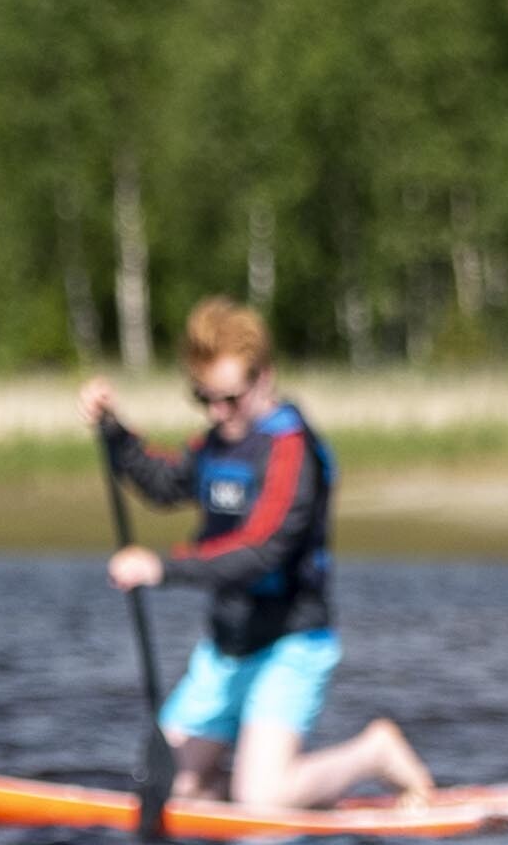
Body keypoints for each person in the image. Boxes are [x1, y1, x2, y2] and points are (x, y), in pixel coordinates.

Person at [81, 298, 438, 814]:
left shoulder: (292, 452)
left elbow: (261, 551)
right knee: (171, 790)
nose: (218, 413)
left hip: (292, 645)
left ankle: (373, 752)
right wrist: (112, 430)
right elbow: (161, 482)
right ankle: (252, 780)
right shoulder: (215, 446)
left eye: (230, 399)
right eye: (203, 399)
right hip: (227, 648)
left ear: (264, 379)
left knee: (262, 799)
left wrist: (162, 568)